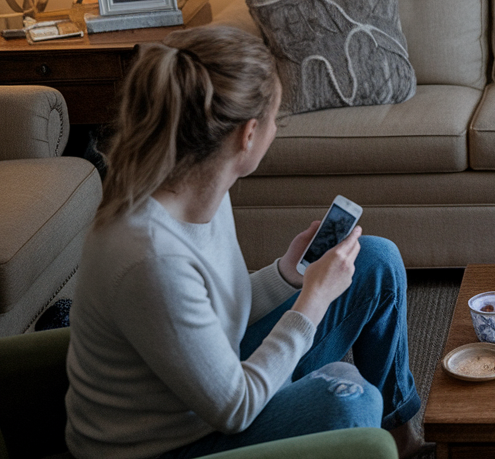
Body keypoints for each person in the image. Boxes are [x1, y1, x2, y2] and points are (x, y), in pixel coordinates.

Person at [64, 26, 426, 459]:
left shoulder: (199, 186)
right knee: (351, 403)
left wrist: (285, 275)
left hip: (210, 388)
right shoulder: (150, 258)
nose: (277, 128)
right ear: (248, 135)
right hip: (170, 444)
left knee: (376, 260)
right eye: (275, 118)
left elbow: (216, 309)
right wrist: (311, 301)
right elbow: (234, 408)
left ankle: (404, 441)